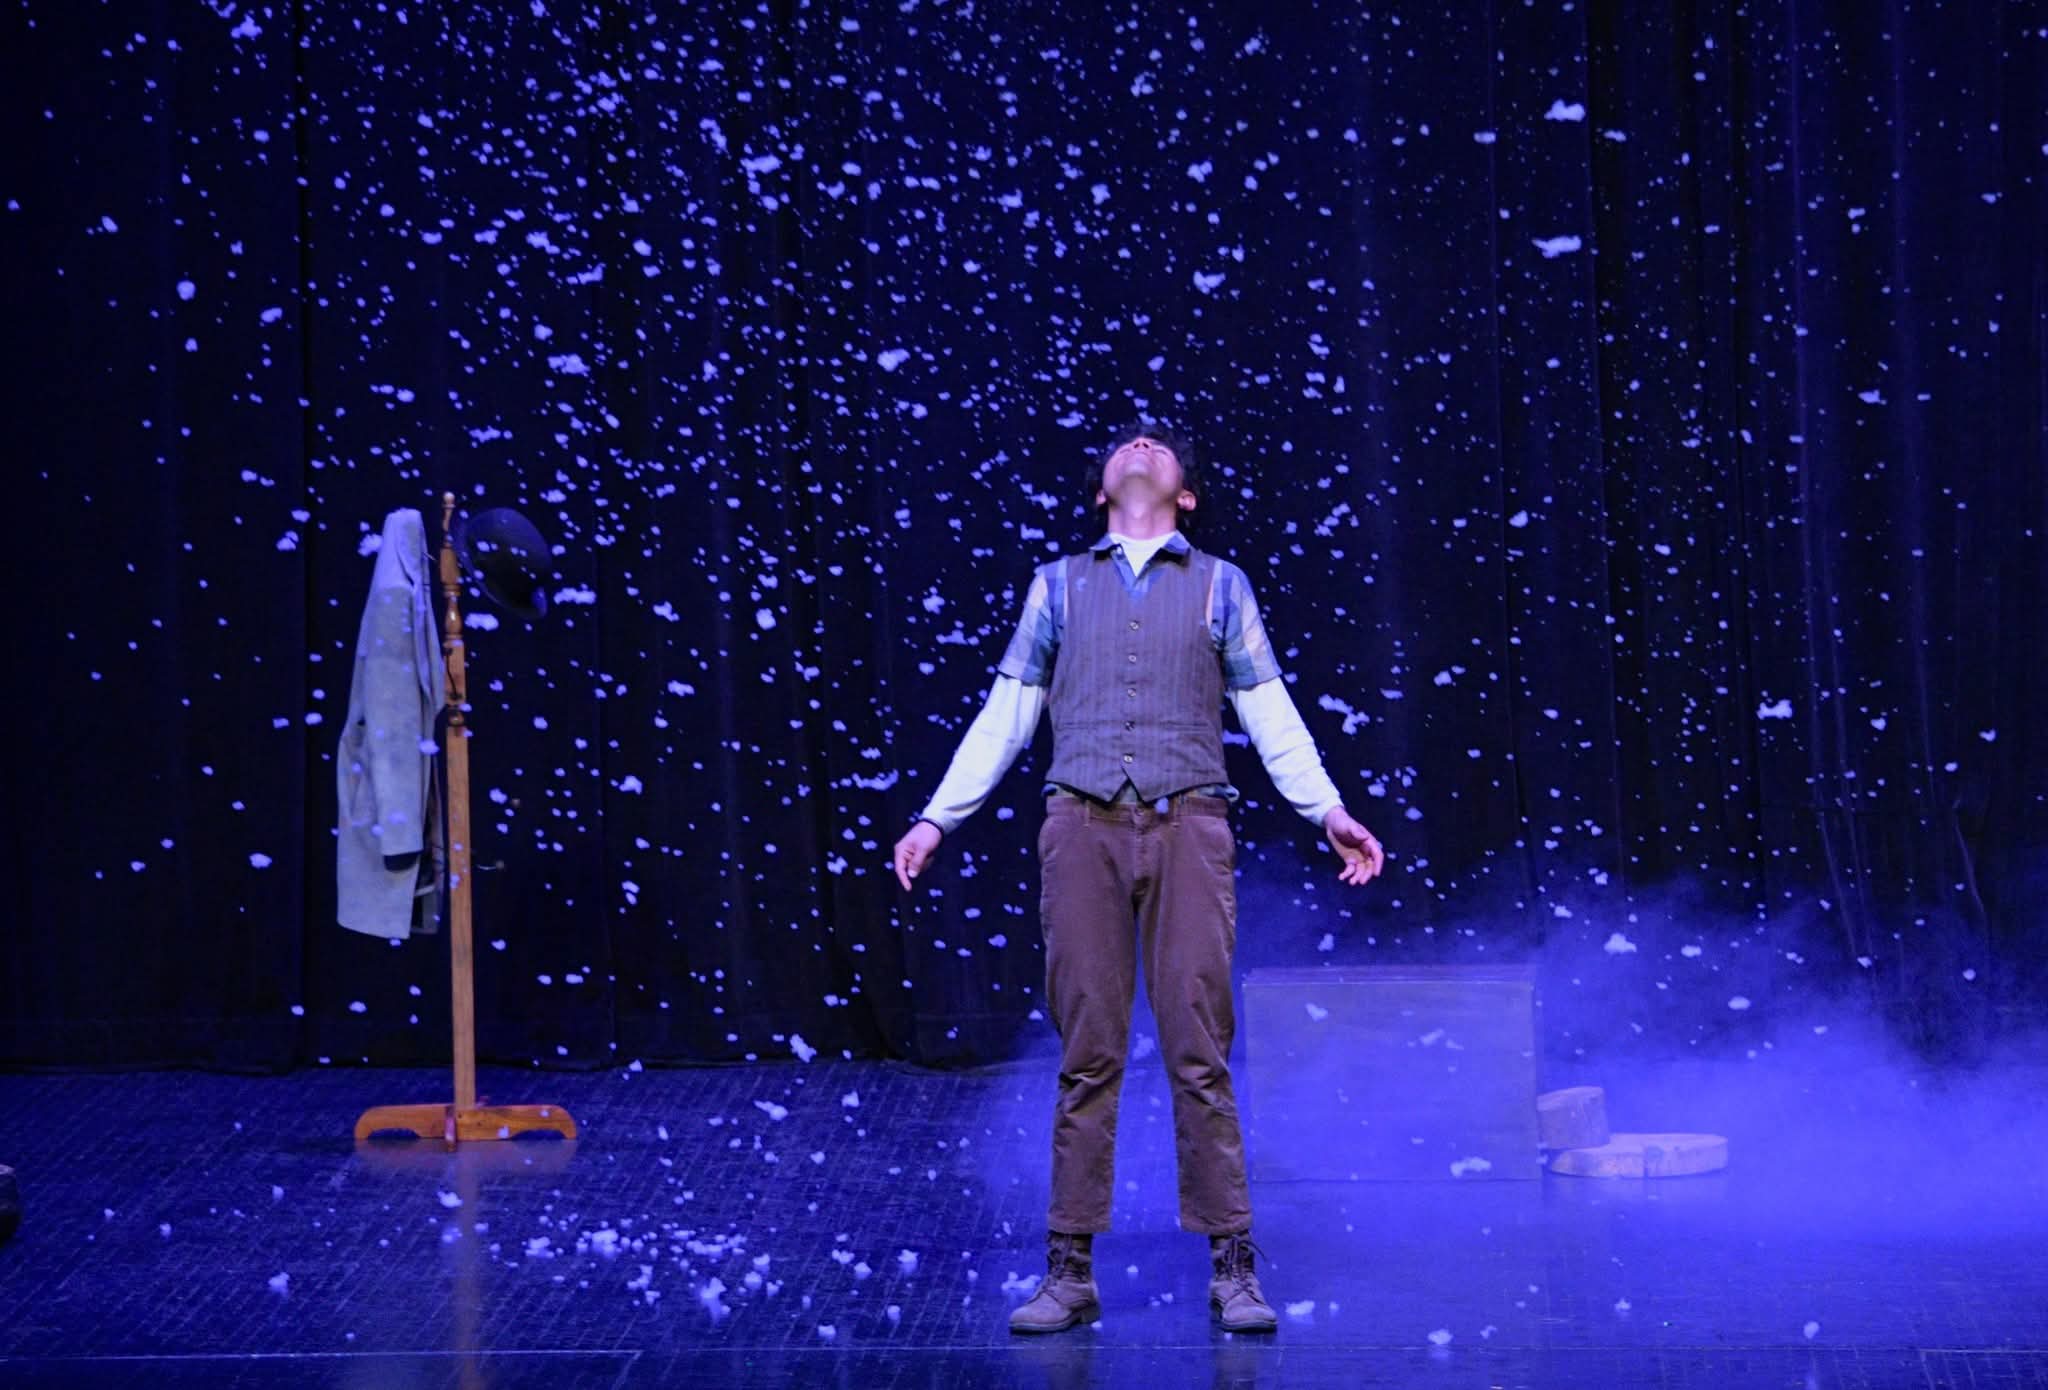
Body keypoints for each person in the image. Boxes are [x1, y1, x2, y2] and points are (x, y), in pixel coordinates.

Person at [892, 425, 1385, 1334]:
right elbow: (1008, 713)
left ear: (1185, 495)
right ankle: (1069, 1270)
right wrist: (936, 817)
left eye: (1160, 447)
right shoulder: (1057, 584)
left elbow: (1269, 709)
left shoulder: (1221, 585)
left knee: (1199, 1047)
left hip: (1190, 825)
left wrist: (1328, 810)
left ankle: (1233, 1265)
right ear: (1101, 492)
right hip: (1080, 827)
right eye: (1128, 446)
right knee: (1089, 1053)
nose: (1144, 444)